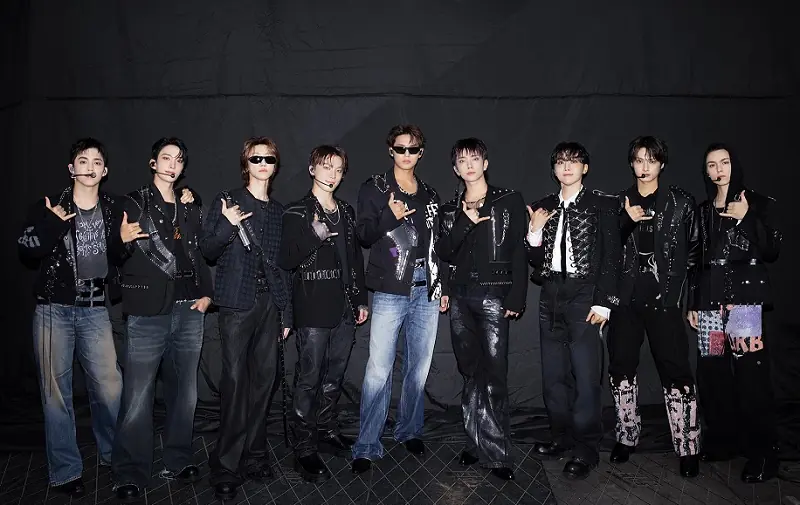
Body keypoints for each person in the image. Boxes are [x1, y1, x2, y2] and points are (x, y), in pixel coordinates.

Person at [17, 138, 124, 498]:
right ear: (71, 168)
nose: (90, 167)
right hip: (53, 310)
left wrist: (190, 196)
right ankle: (65, 472)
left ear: (105, 171)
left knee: (110, 388)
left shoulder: (114, 208)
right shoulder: (50, 205)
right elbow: (26, 249)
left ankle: (114, 457)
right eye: (83, 160)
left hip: (95, 308)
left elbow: (152, 209)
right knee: (56, 395)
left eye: (97, 162)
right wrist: (51, 224)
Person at [112, 137, 213, 502]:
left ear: (183, 167)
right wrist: (121, 241)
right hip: (146, 310)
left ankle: (178, 459)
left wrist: (207, 293)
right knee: (138, 396)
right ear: (153, 163)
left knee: (185, 393)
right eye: (166, 158)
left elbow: (197, 252)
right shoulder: (133, 202)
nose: (172, 164)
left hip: (189, 308)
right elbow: (113, 254)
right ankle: (130, 472)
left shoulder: (190, 204)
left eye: (178, 160)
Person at [351, 124, 446, 474]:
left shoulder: (430, 194)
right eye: (401, 148)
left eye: (413, 149)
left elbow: (437, 245)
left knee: (419, 365)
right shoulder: (375, 188)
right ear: (390, 150)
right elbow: (363, 235)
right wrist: (389, 216)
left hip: (426, 286)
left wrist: (443, 285)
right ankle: (366, 444)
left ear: (421, 153)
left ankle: (409, 430)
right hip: (391, 287)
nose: (407, 154)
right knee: (379, 368)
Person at [200, 137, 291, 501]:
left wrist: (286, 311)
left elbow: (282, 267)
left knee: (264, 383)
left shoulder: (279, 211)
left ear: (275, 165)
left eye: (269, 158)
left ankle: (254, 455)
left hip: (270, 305)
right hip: (236, 304)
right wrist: (227, 224)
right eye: (256, 158)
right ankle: (225, 465)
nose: (263, 163)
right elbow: (207, 249)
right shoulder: (228, 201)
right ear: (245, 164)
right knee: (236, 383)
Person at [606, 136, 701, 477]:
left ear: (662, 163)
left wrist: (691, 301)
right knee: (621, 366)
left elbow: (695, 255)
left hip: (665, 299)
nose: (644, 167)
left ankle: (688, 446)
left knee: (675, 369)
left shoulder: (681, 203)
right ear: (631, 163)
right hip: (626, 300)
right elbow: (606, 252)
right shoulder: (618, 202)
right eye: (638, 160)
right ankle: (626, 436)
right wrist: (625, 220)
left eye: (651, 160)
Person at [526, 141, 621, 480]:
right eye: (561, 162)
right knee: (554, 376)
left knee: (586, 376)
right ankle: (561, 437)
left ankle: (586, 449)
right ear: (553, 169)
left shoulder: (602, 204)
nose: (567, 167)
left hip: (585, 294)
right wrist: (534, 232)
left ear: (585, 168)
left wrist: (604, 302)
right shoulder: (544, 205)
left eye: (574, 161)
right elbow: (534, 260)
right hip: (550, 293)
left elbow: (613, 257)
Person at [687, 143, 781, 483]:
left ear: (734, 165)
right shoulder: (702, 212)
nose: (719, 170)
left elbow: (772, 249)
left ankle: (763, 455)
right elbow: (696, 260)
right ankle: (724, 442)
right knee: (712, 375)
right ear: (706, 172)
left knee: (751, 378)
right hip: (710, 305)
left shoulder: (757, 203)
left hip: (743, 305)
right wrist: (693, 303)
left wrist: (745, 217)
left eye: (724, 162)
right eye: (712, 165)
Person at [435, 138, 528, 481]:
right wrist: (465, 221)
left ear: (485, 163)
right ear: (455, 169)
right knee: (470, 371)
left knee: (494, 373)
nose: (469, 165)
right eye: (462, 160)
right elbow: (444, 252)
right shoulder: (449, 209)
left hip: (493, 295)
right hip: (461, 297)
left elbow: (518, 250)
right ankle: (475, 443)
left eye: (474, 158)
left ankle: (498, 454)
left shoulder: (508, 200)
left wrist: (516, 297)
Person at [278, 145, 369, 483]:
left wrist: (360, 299)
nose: (332, 174)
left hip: (344, 306)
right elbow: (286, 259)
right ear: (312, 169)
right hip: (312, 305)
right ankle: (303, 447)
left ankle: (326, 430)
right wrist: (312, 235)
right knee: (309, 379)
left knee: (334, 377)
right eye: (326, 166)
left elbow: (354, 259)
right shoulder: (296, 211)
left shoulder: (345, 210)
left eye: (338, 169)